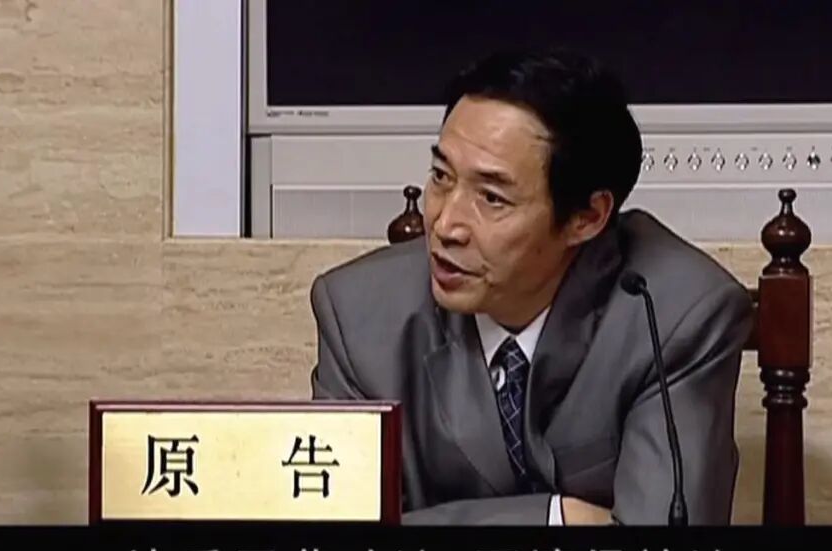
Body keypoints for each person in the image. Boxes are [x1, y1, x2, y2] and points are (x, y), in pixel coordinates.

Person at [309, 48, 753, 525]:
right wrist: (556, 518)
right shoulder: (357, 317)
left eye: (491, 197)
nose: (445, 224)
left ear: (587, 218)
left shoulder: (675, 314)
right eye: (441, 177)